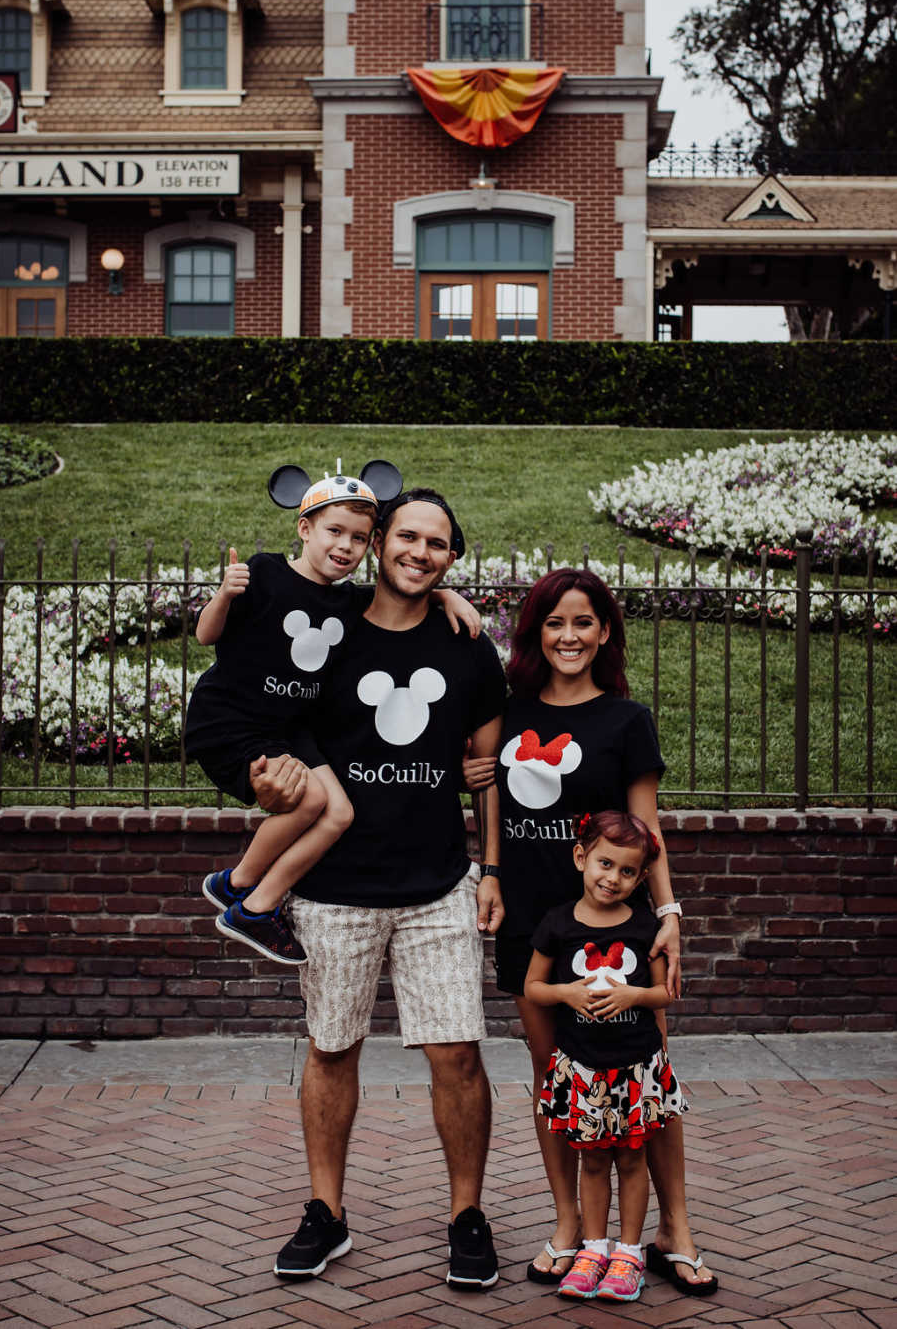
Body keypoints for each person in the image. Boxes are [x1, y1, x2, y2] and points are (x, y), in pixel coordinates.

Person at [261, 488, 507, 1290]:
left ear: (451, 556)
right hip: (335, 887)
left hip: (437, 884)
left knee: (458, 1056)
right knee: (331, 1049)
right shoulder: (327, 633)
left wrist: (493, 868)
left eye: (438, 543)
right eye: (407, 536)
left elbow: (487, 770)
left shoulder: (469, 643)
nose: (420, 552)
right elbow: (266, 707)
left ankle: (467, 1217)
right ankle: (326, 1213)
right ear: (378, 543)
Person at [464, 567, 717, 1296]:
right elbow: (485, 802)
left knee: (648, 1079)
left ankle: (675, 1228)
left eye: (583, 622)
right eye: (553, 622)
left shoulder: (625, 720)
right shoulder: (504, 715)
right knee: (554, 1082)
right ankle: (571, 1225)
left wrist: (668, 918)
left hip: (621, 931)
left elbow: (649, 830)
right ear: (533, 633)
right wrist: (489, 869)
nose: (568, 636)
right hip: (534, 924)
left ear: (604, 631)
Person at [185, 462, 478, 967]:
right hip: (233, 719)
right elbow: (206, 637)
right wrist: (225, 593)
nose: (345, 546)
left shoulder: (346, 600)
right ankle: (244, 888)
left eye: (359, 539)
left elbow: (398, 594)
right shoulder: (266, 573)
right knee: (311, 801)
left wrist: (445, 591)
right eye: (334, 532)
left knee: (339, 812)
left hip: (286, 726)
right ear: (304, 528)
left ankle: (245, 899)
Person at [525, 809, 688, 1302]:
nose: (612, 878)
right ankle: (593, 1249)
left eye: (626, 871)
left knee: (633, 1161)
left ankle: (629, 1254)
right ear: (581, 857)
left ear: (641, 877)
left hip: (635, 1069)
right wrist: (567, 995)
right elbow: (533, 987)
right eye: (604, 864)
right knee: (593, 1163)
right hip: (583, 1068)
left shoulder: (644, 928)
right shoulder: (556, 924)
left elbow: (666, 994)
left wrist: (634, 997)